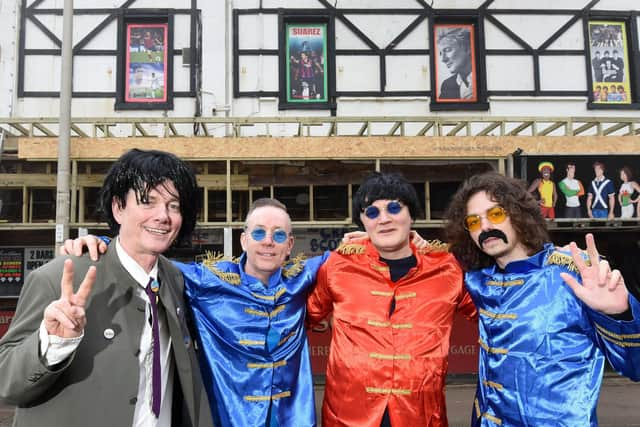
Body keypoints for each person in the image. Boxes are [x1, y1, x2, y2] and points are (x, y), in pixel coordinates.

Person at [0, 149, 213, 427]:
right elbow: (6, 381)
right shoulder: (60, 277)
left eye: (174, 205)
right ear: (118, 208)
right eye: (148, 201)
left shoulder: (174, 280)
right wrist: (52, 343)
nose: (163, 215)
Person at [445, 172, 640, 426]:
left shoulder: (573, 275)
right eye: (473, 221)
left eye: (495, 214)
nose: (485, 227)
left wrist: (620, 314)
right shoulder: (480, 282)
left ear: (519, 214)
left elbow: (635, 366)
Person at [306, 172, 477, 427]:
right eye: (372, 213)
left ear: (411, 215)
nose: (384, 219)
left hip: (421, 417)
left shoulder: (449, 270)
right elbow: (296, 317)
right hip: (347, 418)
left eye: (394, 208)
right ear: (363, 222)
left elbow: (496, 313)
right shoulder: (337, 266)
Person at [437, 27, 474, 100]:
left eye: (447, 50)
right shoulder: (447, 85)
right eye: (441, 53)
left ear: (467, 48)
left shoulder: (486, 78)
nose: (443, 59)